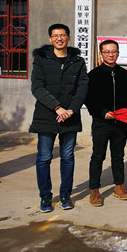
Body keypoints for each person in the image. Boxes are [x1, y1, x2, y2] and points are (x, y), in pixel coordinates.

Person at [29, 23, 89, 212]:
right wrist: (57, 108)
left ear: (68, 38)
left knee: (68, 157)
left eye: (62, 35)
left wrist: (71, 110)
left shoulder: (77, 61)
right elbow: (37, 87)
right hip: (46, 115)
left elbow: (83, 87)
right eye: (55, 36)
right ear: (50, 39)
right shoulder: (41, 59)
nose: (59, 38)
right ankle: (45, 197)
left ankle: (65, 194)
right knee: (44, 157)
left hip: (70, 116)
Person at [86, 39, 127, 206]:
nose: (111, 54)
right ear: (101, 54)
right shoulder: (93, 75)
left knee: (118, 156)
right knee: (98, 156)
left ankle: (119, 186)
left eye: (114, 51)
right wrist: (102, 113)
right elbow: (89, 99)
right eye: (107, 52)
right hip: (101, 123)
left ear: (118, 53)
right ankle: (94, 190)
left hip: (120, 123)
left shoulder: (124, 74)